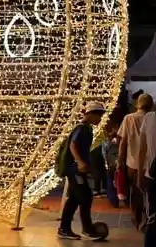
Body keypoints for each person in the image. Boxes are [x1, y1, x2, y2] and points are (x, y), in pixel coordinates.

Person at [57, 101, 106, 240]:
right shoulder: (81, 128)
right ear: (90, 114)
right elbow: (73, 145)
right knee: (85, 197)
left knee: (74, 198)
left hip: (77, 169)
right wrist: (80, 162)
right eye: (98, 115)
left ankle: (64, 229)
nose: (100, 118)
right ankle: (87, 229)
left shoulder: (87, 128)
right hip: (74, 170)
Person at [119, 92, 153, 228]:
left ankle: (137, 219)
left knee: (136, 192)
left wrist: (120, 160)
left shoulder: (129, 118)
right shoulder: (152, 119)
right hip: (150, 164)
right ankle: (148, 218)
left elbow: (123, 142)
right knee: (149, 193)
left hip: (132, 163)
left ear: (137, 103)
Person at [138, 107, 156, 246]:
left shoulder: (149, 117)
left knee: (153, 217)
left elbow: (142, 149)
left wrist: (140, 175)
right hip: (152, 174)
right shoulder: (149, 117)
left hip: (152, 174)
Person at [102, 122, 119, 207]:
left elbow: (104, 153)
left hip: (110, 163)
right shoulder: (119, 138)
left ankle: (113, 199)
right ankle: (116, 198)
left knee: (110, 180)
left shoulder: (106, 140)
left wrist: (106, 163)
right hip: (119, 163)